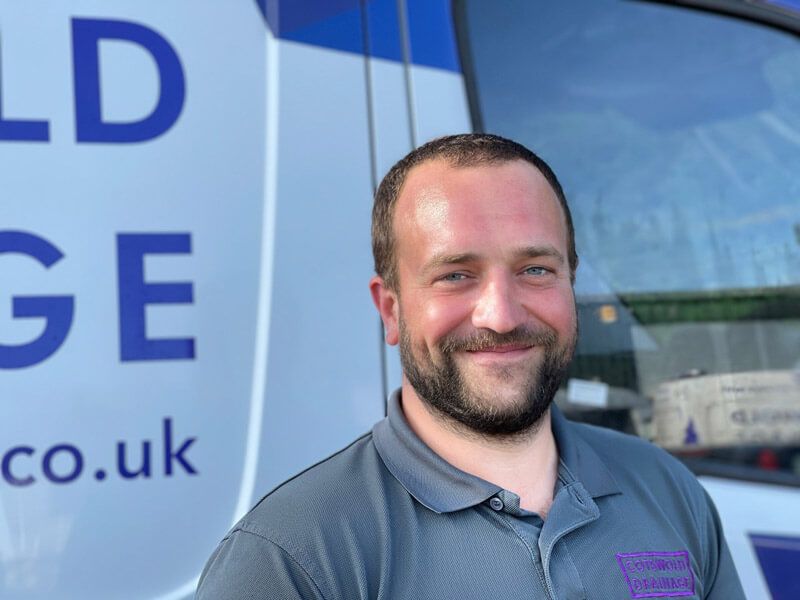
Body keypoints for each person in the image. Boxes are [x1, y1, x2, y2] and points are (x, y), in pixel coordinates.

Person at [196, 134, 745, 599]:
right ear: (391, 309)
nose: (502, 317)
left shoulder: (667, 489)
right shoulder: (292, 560)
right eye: (456, 275)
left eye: (534, 269)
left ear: (571, 285)